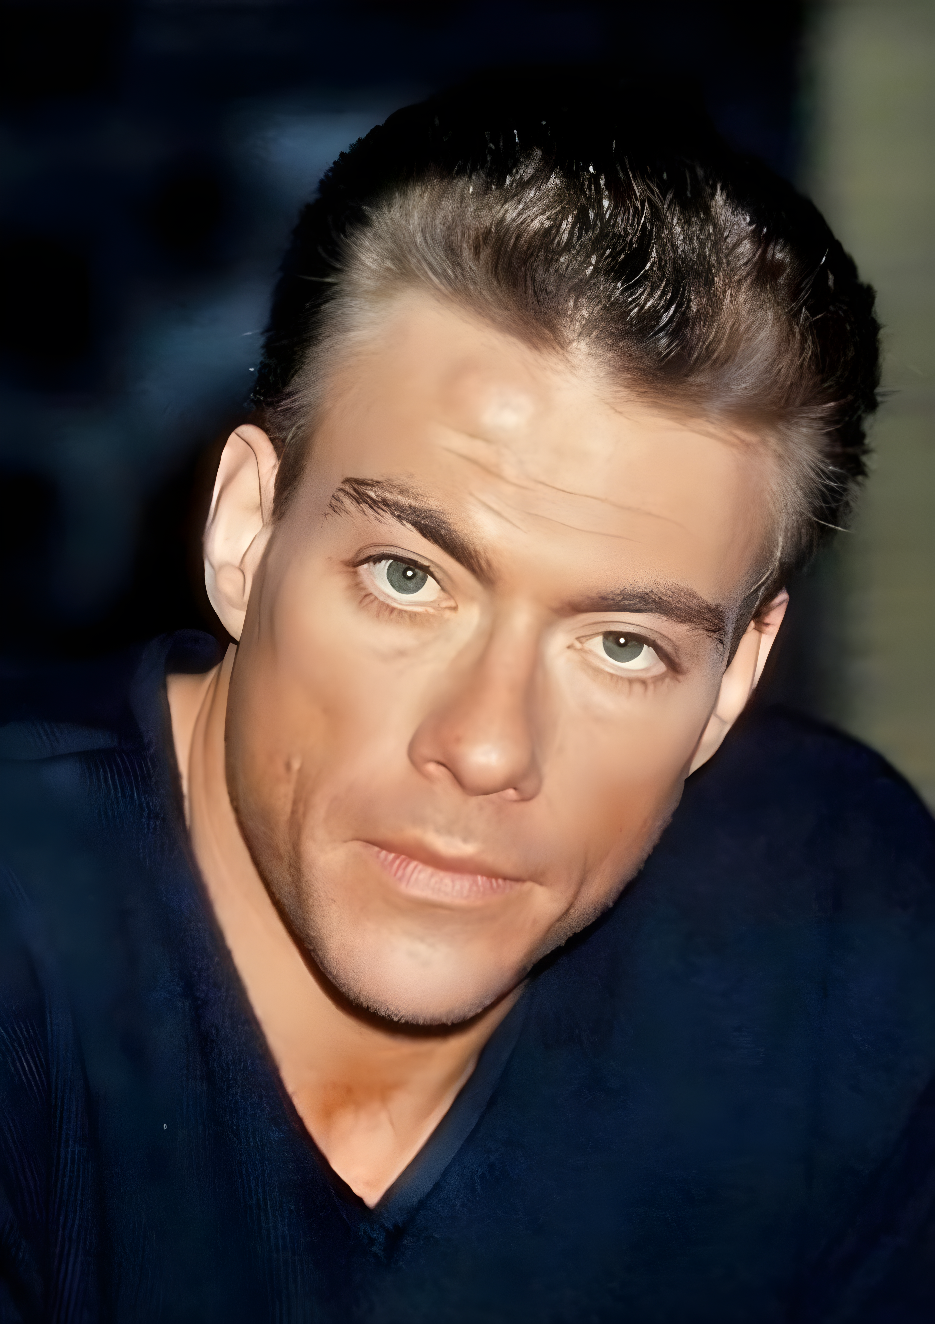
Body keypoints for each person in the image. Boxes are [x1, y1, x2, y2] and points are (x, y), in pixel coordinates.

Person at [1, 72, 933, 1324]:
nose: (486, 746)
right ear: (245, 530)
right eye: (407, 578)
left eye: (621, 645)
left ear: (733, 678)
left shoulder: (835, 936)